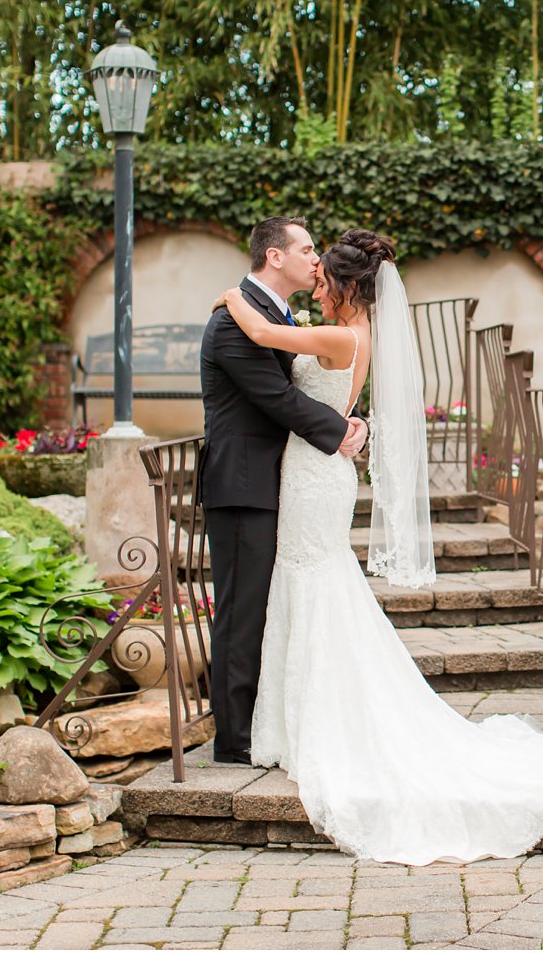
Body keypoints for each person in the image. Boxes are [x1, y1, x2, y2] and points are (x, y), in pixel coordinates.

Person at [211, 228, 543, 865]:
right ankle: (283, 722)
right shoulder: (355, 334)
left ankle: (296, 725)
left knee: (313, 585)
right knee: (309, 587)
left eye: (324, 277)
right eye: (311, 268)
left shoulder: (337, 334)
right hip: (309, 469)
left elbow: (270, 344)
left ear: (346, 287)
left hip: (311, 472)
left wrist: (231, 300)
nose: (316, 283)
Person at [199, 216, 368, 766]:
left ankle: (270, 722)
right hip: (244, 484)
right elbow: (275, 395)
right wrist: (337, 429)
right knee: (242, 611)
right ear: (275, 257)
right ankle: (234, 740)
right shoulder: (233, 321)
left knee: (270, 608)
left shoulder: (273, 316)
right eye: (307, 248)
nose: (316, 259)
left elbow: (309, 377)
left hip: (284, 481)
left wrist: (351, 421)